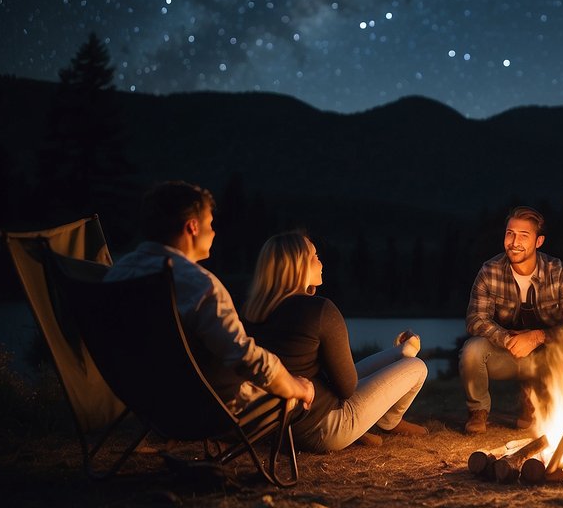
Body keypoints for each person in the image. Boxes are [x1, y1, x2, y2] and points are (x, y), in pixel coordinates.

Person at [105, 181, 314, 410]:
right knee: (304, 389)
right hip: (204, 407)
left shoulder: (117, 273)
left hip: (145, 400)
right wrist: (297, 386)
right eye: (210, 223)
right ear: (193, 227)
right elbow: (244, 357)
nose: (213, 231)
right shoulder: (199, 286)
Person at [242, 232, 428, 452]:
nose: (320, 261)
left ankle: (400, 353)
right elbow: (347, 387)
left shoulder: (250, 314)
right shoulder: (320, 311)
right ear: (298, 266)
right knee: (417, 366)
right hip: (322, 428)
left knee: (401, 355)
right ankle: (387, 421)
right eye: (314, 256)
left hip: (274, 428)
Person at [460, 206, 563, 434]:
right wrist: (506, 338)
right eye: (510, 233)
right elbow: (475, 319)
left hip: (548, 358)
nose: (514, 242)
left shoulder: (560, 274)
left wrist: (537, 337)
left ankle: (535, 404)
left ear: (539, 242)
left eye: (523, 236)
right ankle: (478, 412)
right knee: (472, 350)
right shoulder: (490, 271)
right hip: (507, 354)